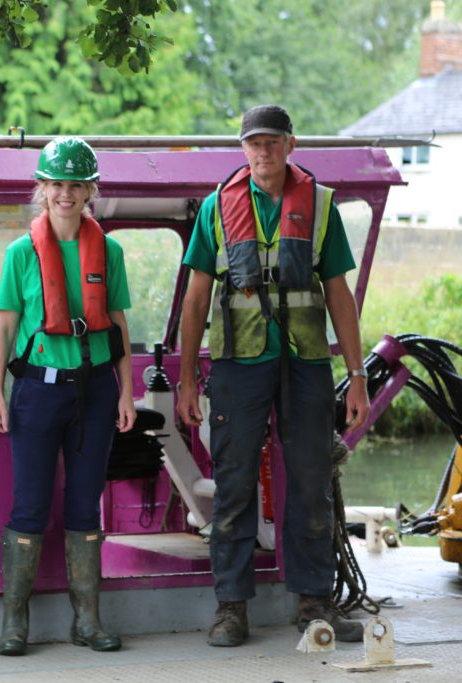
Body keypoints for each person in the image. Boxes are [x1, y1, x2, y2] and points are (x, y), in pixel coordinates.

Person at [176, 105, 371, 647]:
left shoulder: (321, 204)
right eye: (253, 144)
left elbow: (339, 294)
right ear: (243, 150)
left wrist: (356, 376)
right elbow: (195, 300)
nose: (262, 153)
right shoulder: (217, 208)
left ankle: (314, 605)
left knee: (311, 485)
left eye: (271, 143)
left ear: (291, 144)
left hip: (307, 363)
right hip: (239, 365)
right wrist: (189, 378)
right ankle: (231, 608)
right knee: (234, 486)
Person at [0, 137, 136, 657]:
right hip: (36, 391)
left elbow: (117, 323)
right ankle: (13, 623)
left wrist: (126, 391)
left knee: (84, 505)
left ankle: (88, 622)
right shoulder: (20, 252)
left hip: (95, 391)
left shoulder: (109, 251)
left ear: (90, 191)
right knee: (29, 505)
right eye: (56, 185)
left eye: (76, 185)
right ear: (42, 190)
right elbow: (5, 327)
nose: (66, 195)